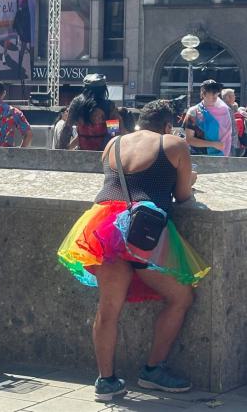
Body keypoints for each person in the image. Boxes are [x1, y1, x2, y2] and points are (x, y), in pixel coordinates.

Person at [58, 100, 210, 401]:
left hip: (103, 226)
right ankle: (153, 370)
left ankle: (106, 380)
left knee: (109, 306)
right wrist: (190, 182)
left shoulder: (113, 144)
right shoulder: (174, 145)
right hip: (142, 231)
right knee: (181, 297)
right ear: (169, 125)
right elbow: (181, 197)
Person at [59, 74, 120, 150]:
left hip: (82, 152)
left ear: (85, 88)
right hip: (104, 153)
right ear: (104, 89)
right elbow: (113, 133)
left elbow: (67, 128)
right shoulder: (109, 106)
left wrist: (61, 152)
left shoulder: (76, 103)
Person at [183, 79, 231, 156]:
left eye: (217, 93)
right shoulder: (193, 112)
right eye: (212, 93)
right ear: (203, 94)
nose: (215, 96)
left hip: (222, 157)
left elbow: (229, 136)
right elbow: (189, 139)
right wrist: (213, 144)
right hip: (199, 158)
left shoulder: (224, 111)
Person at [221, 88, 240, 156]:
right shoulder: (225, 109)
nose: (235, 97)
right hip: (228, 143)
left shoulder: (230, 108)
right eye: (233, 95)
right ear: (227, 97)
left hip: (231, 142)